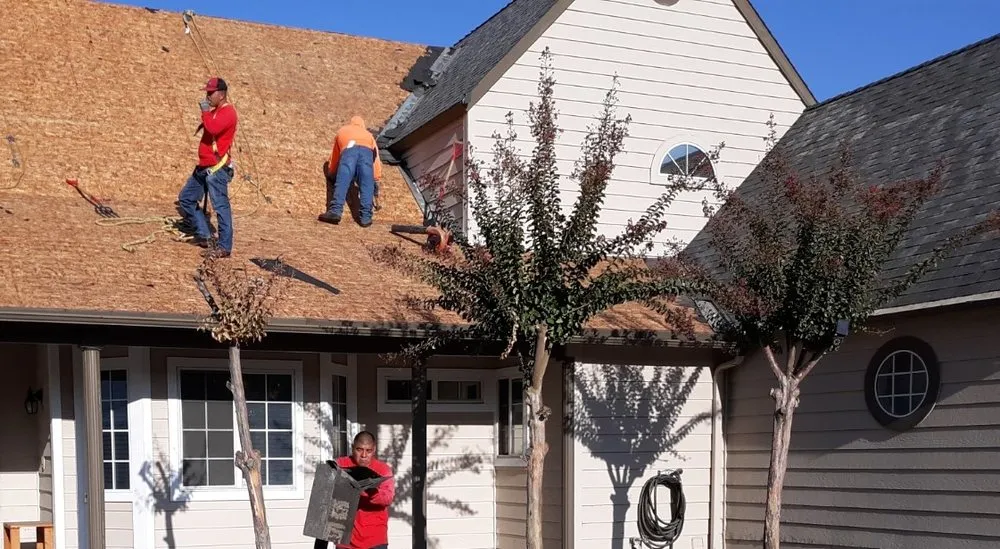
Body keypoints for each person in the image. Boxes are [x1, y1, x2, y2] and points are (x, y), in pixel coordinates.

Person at [177, 77, 238, 257]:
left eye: (211, 93)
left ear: (221, 94)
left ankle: (224, 247)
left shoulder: (228, 113)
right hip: (204, 167)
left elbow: (212, 129)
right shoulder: (216, 111)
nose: (207, 96)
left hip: (216, 170)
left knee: (220, 207)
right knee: (186, 199)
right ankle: (205, 234)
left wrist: (204, 112)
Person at [314, 431, 395, 549]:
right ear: (352, 448)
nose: (364, 455)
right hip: (345, 539)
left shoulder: (383, 470)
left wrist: (371, 492)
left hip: (375, 539)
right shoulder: (341, 464)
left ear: (374, 449)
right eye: (359, 449)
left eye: (368, 451)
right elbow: (323, 498)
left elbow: (387, 498)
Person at [318, 116, 382, 228]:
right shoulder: (369, 135)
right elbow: (375, 159)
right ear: (362, 125)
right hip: (366, 155)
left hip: (349, 152)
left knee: (342, 181)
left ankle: (335, 211)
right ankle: (366, 217)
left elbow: (335, 156)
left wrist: (332, 173)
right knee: (367, 185)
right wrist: (375, 178)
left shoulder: (342, 131)